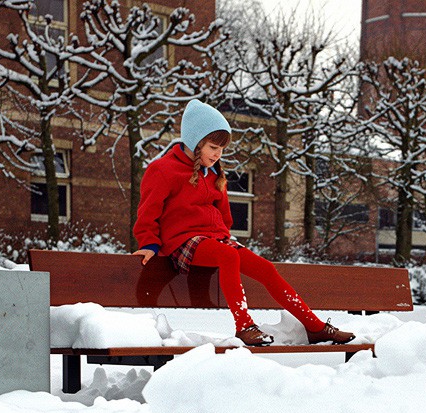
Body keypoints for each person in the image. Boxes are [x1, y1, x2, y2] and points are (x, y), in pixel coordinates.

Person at [132, 99, 355, 347]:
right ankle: (244, 326)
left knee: (265, 268)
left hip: (214, 241)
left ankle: (315, 326)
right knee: (228, 256)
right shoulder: (163, 169)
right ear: (195, 142)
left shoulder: (214, 173)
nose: (218, 154)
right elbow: (148, 211)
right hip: (182, 241)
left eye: (222, 149)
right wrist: (149, 244)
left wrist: (221, 234)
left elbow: (224, 215)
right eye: (213, 147)